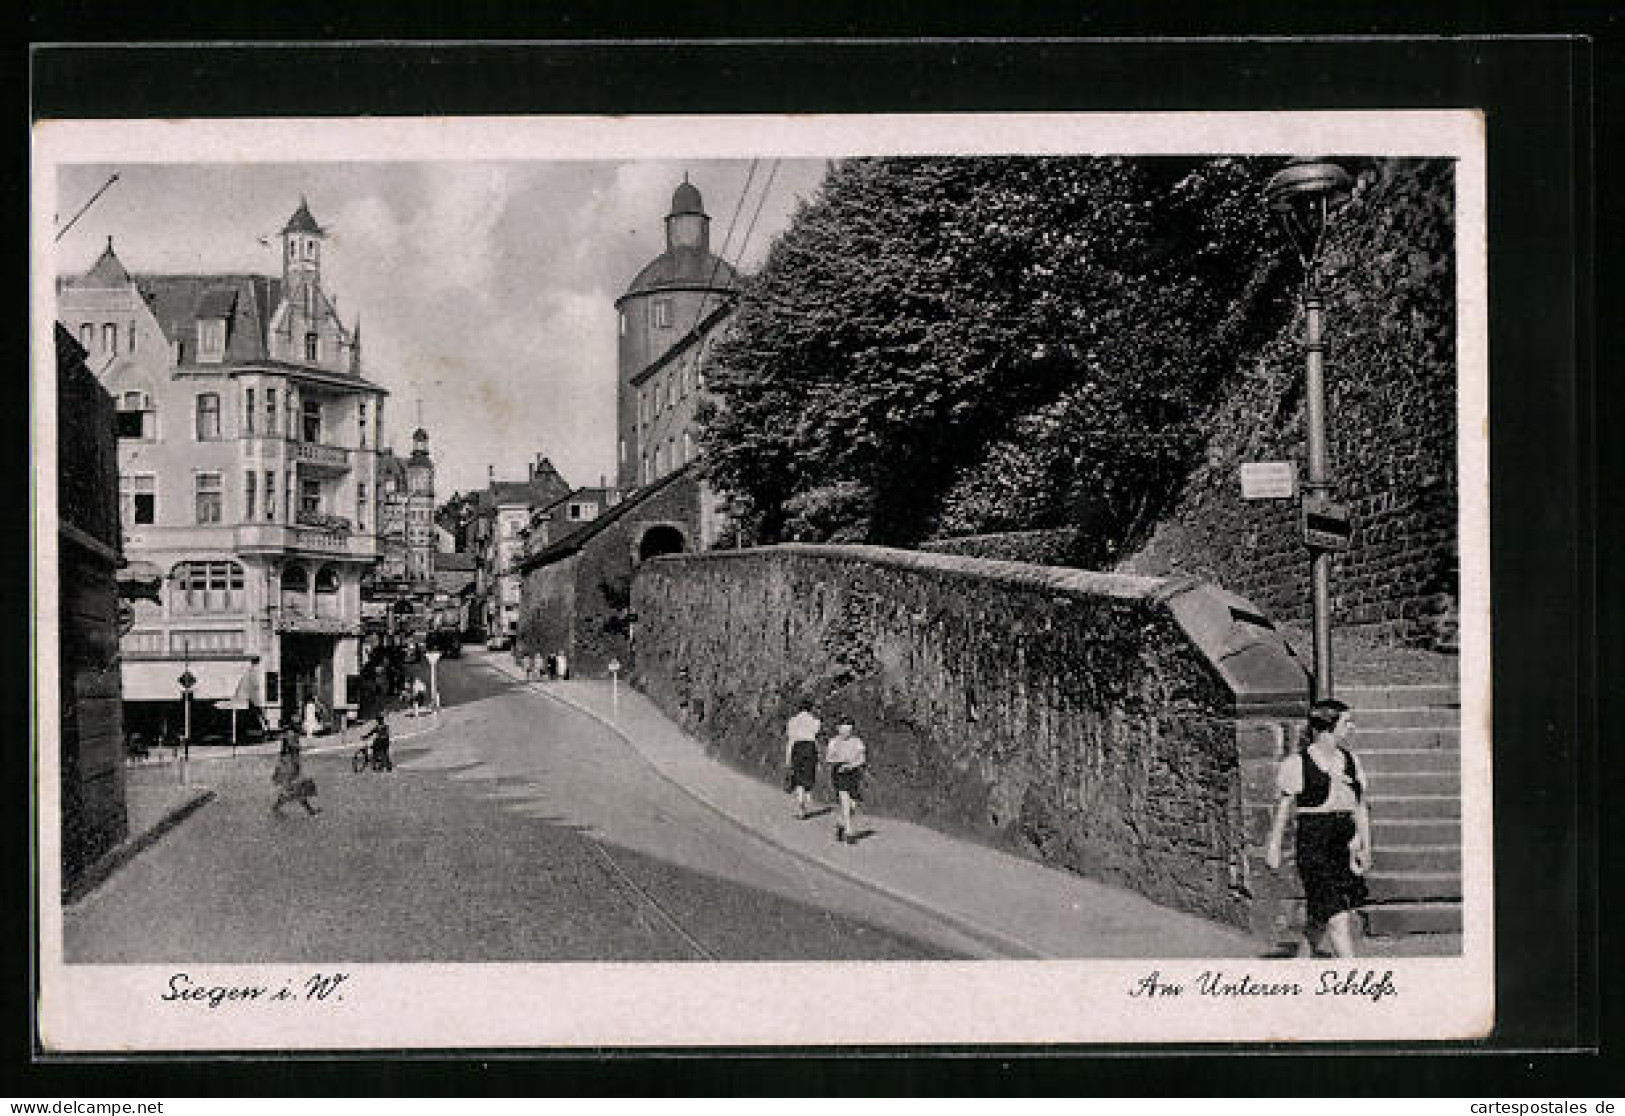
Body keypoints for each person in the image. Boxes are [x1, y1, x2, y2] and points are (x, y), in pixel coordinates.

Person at [1265, 698, 1372, 957]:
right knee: (1338, 919)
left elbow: (1360, 807)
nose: (1351, 728)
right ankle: (1356, 984)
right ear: (1327, 727)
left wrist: (1365, 847)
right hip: (1314, 844)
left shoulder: (1350, 760)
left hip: (1343, 843)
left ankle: (1301, 967)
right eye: (1346, 722)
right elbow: (1283, 810)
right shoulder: (1297, 764)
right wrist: (1274, 847)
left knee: (1320, 916)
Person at [825, 717, 867, 845]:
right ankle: (849, 833)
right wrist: (839, 760)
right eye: (843, 730)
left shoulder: (857, 742)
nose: (846, 733)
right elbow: (828, 758)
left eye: (848, 730)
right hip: (839, 773)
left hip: (853, 773)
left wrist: (852, 765)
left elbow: (862, 759)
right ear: (838, 729)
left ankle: (840, 823)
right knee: (845, 802)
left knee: (853, 805)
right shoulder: (833, 742)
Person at [783, 701, 823, 819]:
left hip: (798, 747)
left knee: (798, 776)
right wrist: (818, 756)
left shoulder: (793, 721)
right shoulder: (815, 721)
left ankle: (801, 806)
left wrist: (788, 758)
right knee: (809, 774)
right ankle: (807, 795)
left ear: (799, 709)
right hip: (810, 747)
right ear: (810, 709)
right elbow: (815, 738)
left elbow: (791, 740)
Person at [271, 732, 320, 817]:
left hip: (293, 770)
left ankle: (310, 811)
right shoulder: (290, 738)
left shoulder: (291, 745)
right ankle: (276, 808)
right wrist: (305, 747)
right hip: (289, 771)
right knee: (294, 791)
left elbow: (294, 749)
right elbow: (292, 746)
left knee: (299, 791)